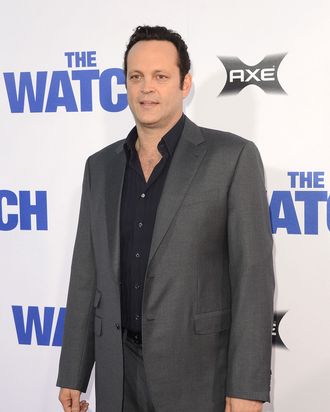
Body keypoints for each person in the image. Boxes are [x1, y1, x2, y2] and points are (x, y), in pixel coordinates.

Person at [57, 25, 275, 412]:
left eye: (161, 76)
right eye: (136, 77)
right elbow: (86, 274)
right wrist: (73, 371)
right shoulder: (100, 167)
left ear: (184, 83)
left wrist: (246, 387)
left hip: (198, 375)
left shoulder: (232, 158)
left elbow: (253, 279)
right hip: (117, 373)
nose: (146, 88)